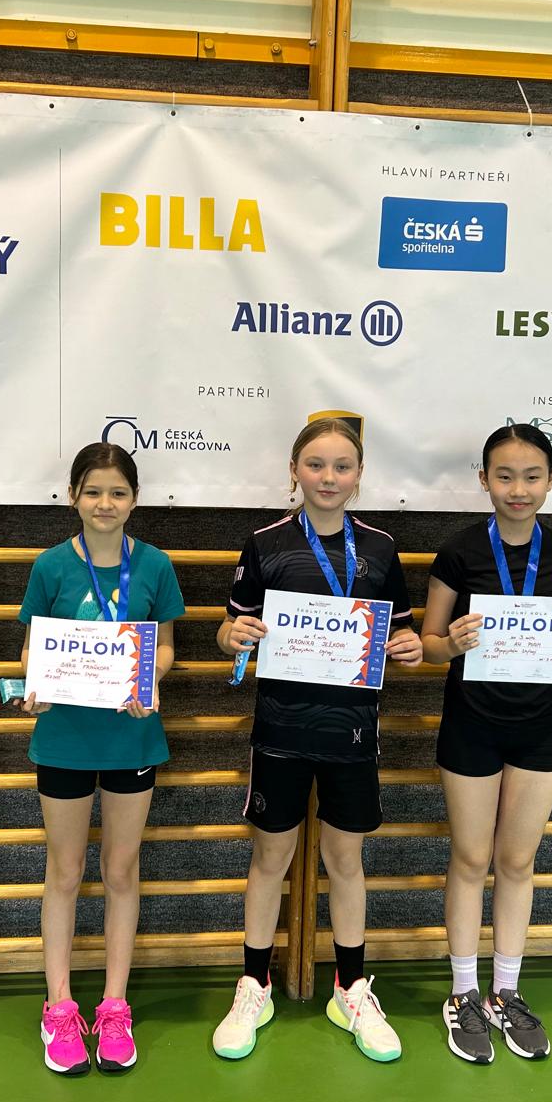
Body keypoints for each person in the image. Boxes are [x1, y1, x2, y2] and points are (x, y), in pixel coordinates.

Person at [210, 418, 422, 1063]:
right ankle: (254, 985)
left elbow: (402, 633)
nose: (328, 478)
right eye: (316, 465)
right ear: (295, 471)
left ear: (359, 475)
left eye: (342, 466)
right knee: (270, 859)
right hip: (280, 731)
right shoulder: (266, 544)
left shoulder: (381, 549)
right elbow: (229, 630)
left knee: (345, 861)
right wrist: (232, 638)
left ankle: (350, 988)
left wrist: (409, 647)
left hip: (352, 733)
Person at [421, 423, 552, 1065]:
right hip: (471, 722)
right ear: (484, 480)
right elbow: (428, 645)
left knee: (519, 861)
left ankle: (507, 990)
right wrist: (452, 643)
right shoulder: (458, 552)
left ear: (551, 481)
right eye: (504, 476)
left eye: (532, 476)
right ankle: (463, 993)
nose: (518, 489)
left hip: (539, 725)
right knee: (472, 858)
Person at [16, 442, 184, 1075]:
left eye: (117, 492)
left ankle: (114, 1005)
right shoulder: (51, 565)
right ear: (73, 497)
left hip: (130, 740)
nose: (105, 503)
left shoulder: (155, 565)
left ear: (135, 499)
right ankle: (59, 1006)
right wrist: (34, 685)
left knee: (120, 872)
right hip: (63, 740)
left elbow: (165, 647)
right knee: (64, 873)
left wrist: (150, 680)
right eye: (92, 491)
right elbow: (32, 649)